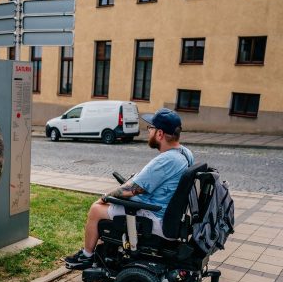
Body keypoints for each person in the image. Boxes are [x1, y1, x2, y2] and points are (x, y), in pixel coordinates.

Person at [64, 108, 194, 269]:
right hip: (166, 213)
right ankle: (104, 250)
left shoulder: (166, 160)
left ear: (160, 134)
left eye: (150, 128)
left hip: (153, 216)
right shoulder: (184, 153)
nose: (148, 132)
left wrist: (105, 197)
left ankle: (87, 256)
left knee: (96, 209)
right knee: (109, 207)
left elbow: (131, 190)